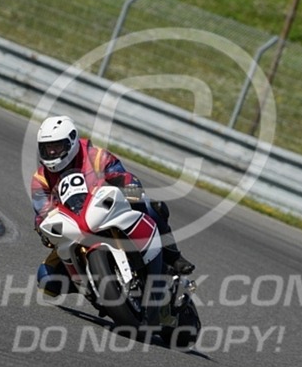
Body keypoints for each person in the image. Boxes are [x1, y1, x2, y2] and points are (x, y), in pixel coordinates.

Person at [31, 115, 195, 296]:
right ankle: (94, 287)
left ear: (71, 142)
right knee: (46, 279)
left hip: (105, 210)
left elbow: (119, 174)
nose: (52, 152)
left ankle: (173, 256)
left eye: (57, 146)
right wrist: (43, 230)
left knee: (151, 207)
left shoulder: (95, 156)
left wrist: (130, 186)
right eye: (47, 148)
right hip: (74, 228)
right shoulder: (40, 179)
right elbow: (43, 213)